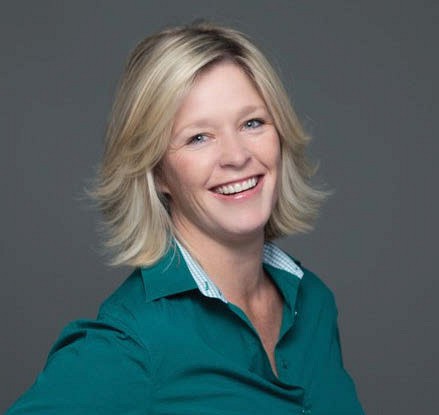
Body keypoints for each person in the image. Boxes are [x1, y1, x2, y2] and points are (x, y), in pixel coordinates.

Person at [6, 22, 365, 414]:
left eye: (252, 123)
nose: (237, 156)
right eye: (198, 137)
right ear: (157, 172)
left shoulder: (312, 302)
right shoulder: (136, 341)